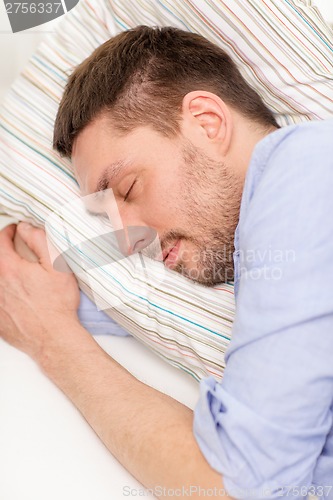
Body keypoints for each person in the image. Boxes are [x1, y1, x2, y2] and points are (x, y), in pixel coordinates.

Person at [0, 26, 332, 498]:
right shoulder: (237, 253)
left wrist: (55, 343)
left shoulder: (306, 169)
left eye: (129, 190)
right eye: (107, 216)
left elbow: (246, 487)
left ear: (207, 121)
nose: (128, 237)